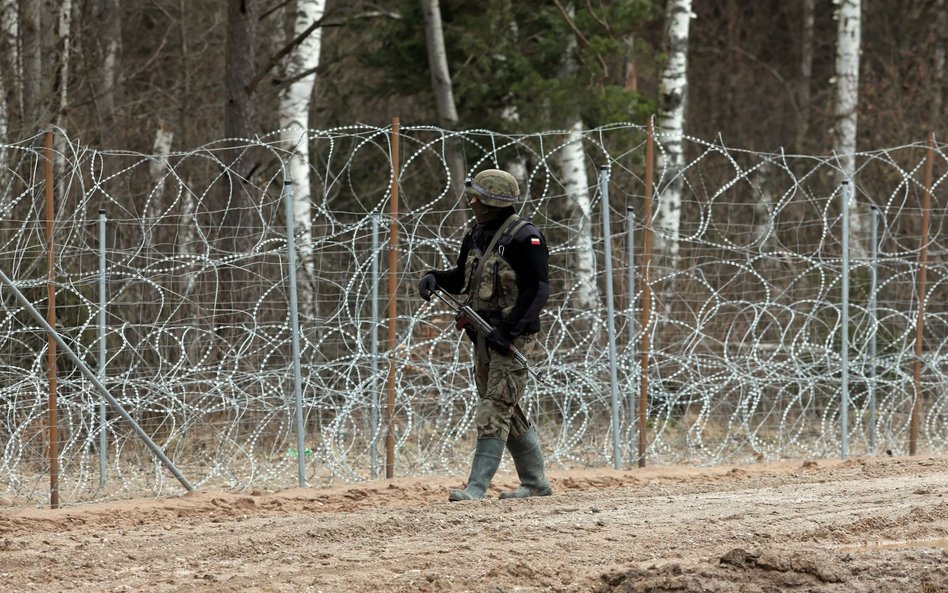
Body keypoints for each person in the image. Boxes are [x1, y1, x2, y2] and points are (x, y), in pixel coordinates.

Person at [418, 168, 552, 501]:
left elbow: (538, 290)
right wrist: (436, 278)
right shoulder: (475, 235)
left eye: (478, 196)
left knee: (494, 408)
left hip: (511, 338)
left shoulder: (526, 237)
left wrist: (508, 331)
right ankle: (536, 484)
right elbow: (462, 279)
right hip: (482, 335)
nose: (472, 201)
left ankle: (476, 487)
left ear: (493, 201)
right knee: (504, 406)